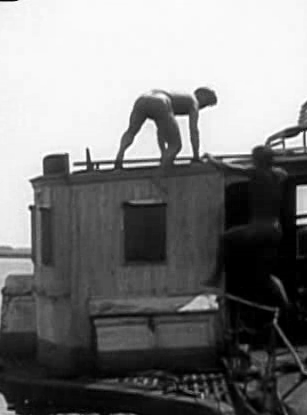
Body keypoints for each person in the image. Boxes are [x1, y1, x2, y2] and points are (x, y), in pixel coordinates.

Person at [201, 146, 288, 303]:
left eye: (253, 158)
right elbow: (284, 173)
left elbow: (228, 168)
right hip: (275, 231)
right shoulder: (276, 174)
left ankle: (216, 277)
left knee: (225, 239)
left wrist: (211, 159)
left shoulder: (257, 173)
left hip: (260, 229)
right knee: (265, 275)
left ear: (257, 160)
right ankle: (285, 304)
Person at [114, 87, 217, 171]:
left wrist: (163, 153)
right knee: (176, 145)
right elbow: (194, 130)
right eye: (206, 104)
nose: (203, 107)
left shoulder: (178, 99)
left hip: (142, 100)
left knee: (131, 131)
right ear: (202, 95)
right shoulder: (193, 101)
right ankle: (161, 175)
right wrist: (196, 157)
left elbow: (161, 131)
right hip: (161, 102)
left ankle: (119, 158)